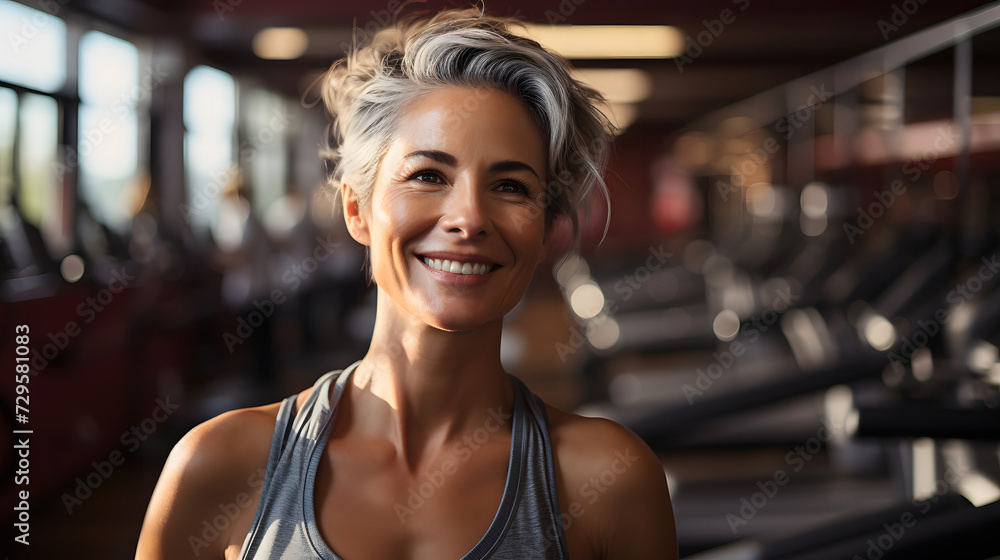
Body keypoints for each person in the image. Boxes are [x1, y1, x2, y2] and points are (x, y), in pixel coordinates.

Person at [136, 7, 677, 559]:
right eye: (427, 175)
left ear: (546, 229)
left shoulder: (609, 480)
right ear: (356, 209)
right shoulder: (218, 464)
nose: (469, 217)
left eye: (511, 186)